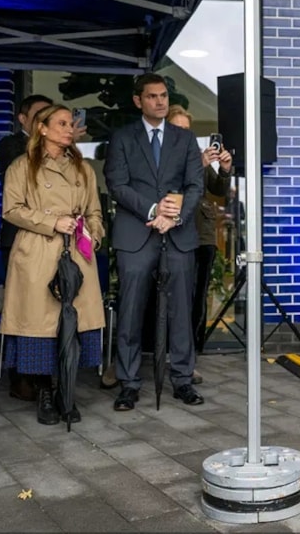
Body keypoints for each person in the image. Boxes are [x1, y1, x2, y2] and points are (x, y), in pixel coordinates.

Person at [0, 103, 106, 426]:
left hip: (77, 254)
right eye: (61, 123)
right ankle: (44, 392)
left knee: (71, 327)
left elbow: (94, 212)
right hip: (37, 254)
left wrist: (94, 238)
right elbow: (11, 210)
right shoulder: (22, 166)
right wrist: (51, 221)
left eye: (71, 123)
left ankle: (65, 392)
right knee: (41, 327)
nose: (69, 128)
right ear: (42, 129)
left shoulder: (83, 168)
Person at [104, 73, 204, 410]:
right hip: (135, 234)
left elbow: (195, 185)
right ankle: (129, 383)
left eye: (163, 96)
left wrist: (173, 216)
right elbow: (117, 184)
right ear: (138, 101)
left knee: (181, 311)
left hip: (177, 235)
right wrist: (152, 208)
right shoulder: (122, 138)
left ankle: (182, 379)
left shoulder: (185, 139)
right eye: (152, 97)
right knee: (131, 310)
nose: (160, 102)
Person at [166, 105, 233, 381]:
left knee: (197, 299)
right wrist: (199, 164)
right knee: (174, 298)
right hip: (174, 235)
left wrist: (225, 169)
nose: (184, 135)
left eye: (187, 130)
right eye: (178, 129)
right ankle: (169, 353)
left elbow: (218, 190)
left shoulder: (196, 156)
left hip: (202, 235)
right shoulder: (163, 157)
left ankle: (190, 358)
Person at [0, 93, 53, 403]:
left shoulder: (60, 151)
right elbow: (19, 179)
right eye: (40, 114)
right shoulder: (11, 144)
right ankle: (20, 376)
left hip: (50, 242)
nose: (46, 120)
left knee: (45, 310)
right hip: (17, 238)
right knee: (21, 309)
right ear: (22, 119)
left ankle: (42, 374)